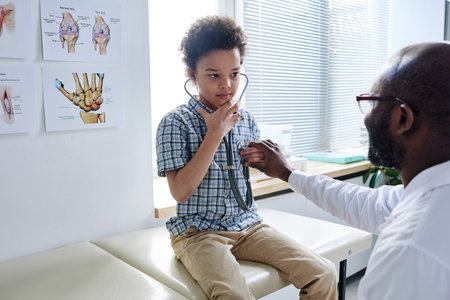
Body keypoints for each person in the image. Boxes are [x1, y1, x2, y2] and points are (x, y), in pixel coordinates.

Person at [240, 41, 450, 299]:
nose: (365, 117)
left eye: (371, 102)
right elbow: (368, 204)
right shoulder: (433, 194)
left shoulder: (408, 252)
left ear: (403, 118)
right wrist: (288, 174)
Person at [156, 15, 336, 300]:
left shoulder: (246, 119)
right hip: (198, 233)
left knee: (323, 274)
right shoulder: (175, 123)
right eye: (214, 75)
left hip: (248, 225)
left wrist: (259, 161)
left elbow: (236, 178)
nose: (227, 85)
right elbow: (180, 192)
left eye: (235, 73)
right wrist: (214, 133)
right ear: (192, 74)